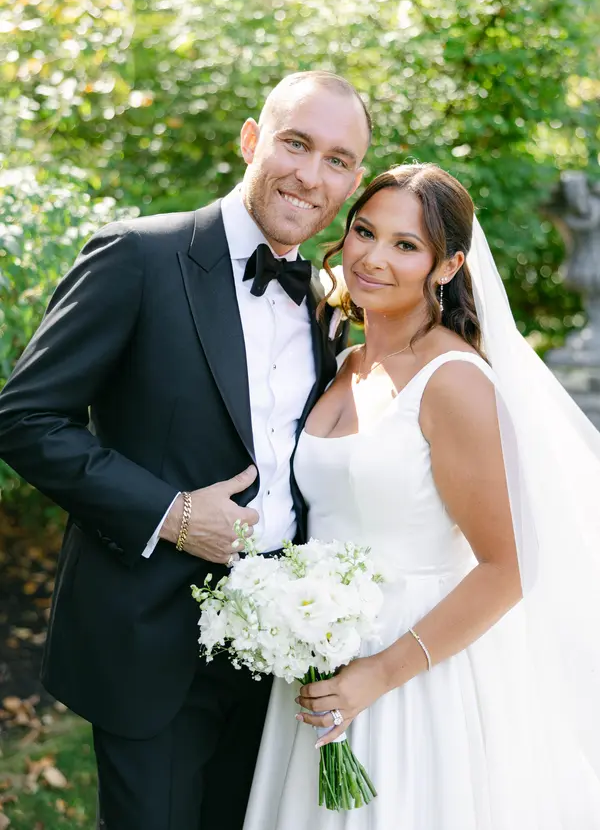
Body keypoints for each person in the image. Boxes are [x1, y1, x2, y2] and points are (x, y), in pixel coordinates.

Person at [0, 71, 371, 830]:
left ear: (353, 181)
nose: (311, 174)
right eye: (295, 143)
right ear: (250, 140)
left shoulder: (326, 299)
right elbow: (26, 418)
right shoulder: (138, 255)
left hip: (279, 656)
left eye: (336, 160)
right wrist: (169, 514)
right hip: (150, 641)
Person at [243, 163, 600, 829]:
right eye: (364, 231)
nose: (373, 258)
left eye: (405, 245)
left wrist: (379, 673)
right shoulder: (342, 363)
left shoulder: (453, 380)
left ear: (448, 265)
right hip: (322, 655)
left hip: (413, 668)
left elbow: (508, 566)